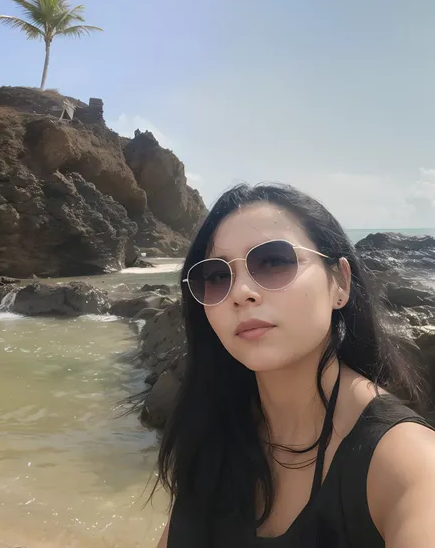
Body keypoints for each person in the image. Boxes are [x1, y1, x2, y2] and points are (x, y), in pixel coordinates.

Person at [155, 183, 435, 547]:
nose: (241, 292)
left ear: (340, 283)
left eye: (272, 261)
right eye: (217, 276)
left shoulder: (406, 462)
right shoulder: (216, 435)